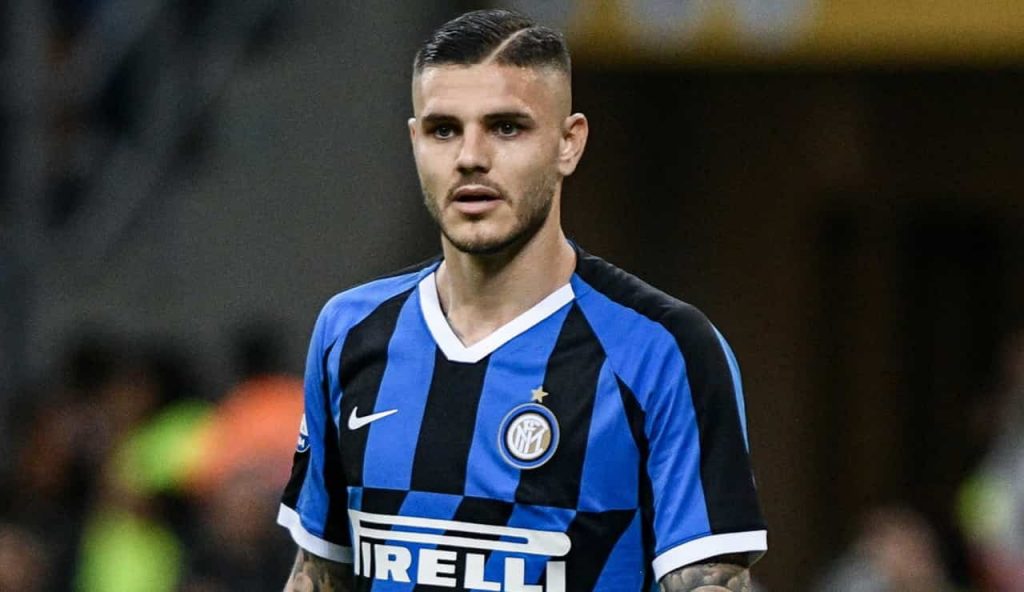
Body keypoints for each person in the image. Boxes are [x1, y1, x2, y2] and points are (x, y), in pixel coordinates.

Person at [278, 9, 767, 592]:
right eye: (443, 130)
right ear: (414, 142)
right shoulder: (350, 332)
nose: (470, 156)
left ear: (569, 143)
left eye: (506, 127)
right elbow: (319, 571)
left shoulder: (664, 351)